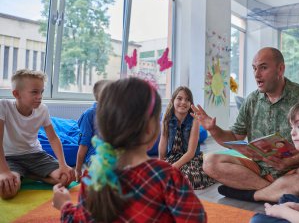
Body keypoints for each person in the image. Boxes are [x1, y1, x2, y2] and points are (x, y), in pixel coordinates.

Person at [52, 77, 206, 222]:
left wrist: (65, 206)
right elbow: (196, 219)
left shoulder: (93, 178)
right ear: (151, 130)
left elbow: (78, 219)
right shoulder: (166, 176)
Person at [191, 47, 299, 202]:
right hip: (259, 170)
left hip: (294, 171)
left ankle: (256, 194)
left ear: (280, 69)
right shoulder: (251, 100)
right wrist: (213, 129)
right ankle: (275, 193)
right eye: (254, 68)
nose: (257, 75)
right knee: (210, 162)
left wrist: (287, 162)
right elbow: (233, 137)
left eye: (263, 68)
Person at [0, 69, 74, 199]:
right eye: (34, 92)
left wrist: (63, 165)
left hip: (35, 155)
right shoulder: (3, 106)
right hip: (9, 157)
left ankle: (30, 174)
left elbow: (53, 138)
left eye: (41, 92)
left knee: (65, 179)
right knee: (7, 192)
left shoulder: (43, 109)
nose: (39, 96)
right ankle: (26, 174)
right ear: (16, 94)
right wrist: (4, 171)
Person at [159, 86, 215, 190]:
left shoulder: (194, 121)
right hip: (172, 158)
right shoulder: (166, 119)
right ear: (172, 100)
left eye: (187, 99)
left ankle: (211, 175)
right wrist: (160, 162)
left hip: (190, 159)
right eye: (179, 98)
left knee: (190, 179)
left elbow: (191, 153)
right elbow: (163, 142)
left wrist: (173, 167)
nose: (183, 102)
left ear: (190, 104)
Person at [74, 79, 109, 182]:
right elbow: (83, 144)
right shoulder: (89, 114)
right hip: (96, 157)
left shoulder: (116, 113)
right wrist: (78, 169)